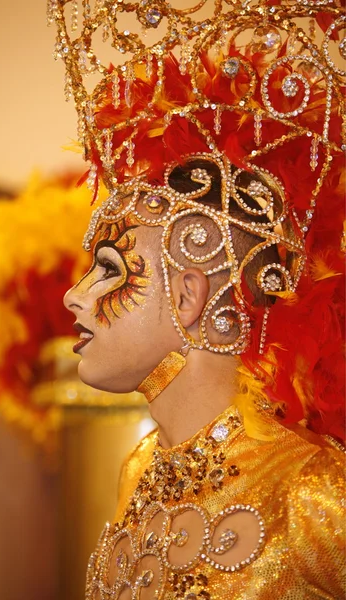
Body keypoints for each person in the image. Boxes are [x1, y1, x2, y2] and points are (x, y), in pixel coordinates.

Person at [50, 0, 345, 596]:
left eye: (109, 271)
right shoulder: (138, 470)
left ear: (188, 295)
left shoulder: (314, 489)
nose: (74, 299)